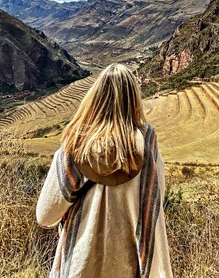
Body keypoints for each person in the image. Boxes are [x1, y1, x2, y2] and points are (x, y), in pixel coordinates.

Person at [36, 63, 173, 278]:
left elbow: (45, 215)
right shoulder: (147, 144)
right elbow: (156, 201)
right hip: (128, 268)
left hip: (79, 267)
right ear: (134, 98)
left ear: (95, 96)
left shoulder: (74, 145)